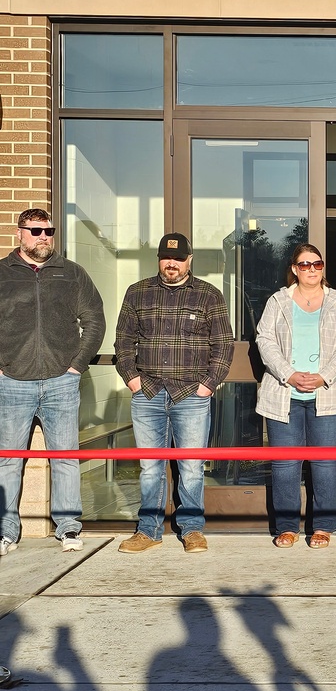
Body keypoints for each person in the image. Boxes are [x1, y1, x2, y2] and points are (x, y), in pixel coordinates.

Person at [115, 232, 234, 553]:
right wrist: (132, 379)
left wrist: (209, 384)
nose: (172, 264)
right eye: (167, 258)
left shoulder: (208, 295)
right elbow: (123, 342)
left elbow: (223, 345)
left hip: (191, 396)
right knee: (150, 467)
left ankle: (192, 529)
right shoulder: (138, 293)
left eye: (179, 258)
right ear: (159, 259)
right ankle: (148, 530)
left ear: (189, 260)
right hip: (148, 393)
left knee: (192, 466)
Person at [0, 208, 105, 555]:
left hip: (62, 381)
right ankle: (6, 531)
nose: (44, 237)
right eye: (36, 231)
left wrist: (76, 365)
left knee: (65, 457)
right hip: (12, 382)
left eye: (49, 231)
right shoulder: (2, 273)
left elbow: (94, 320)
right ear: (19, 234)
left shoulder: (71, 273)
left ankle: (69, 528)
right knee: (9, 460)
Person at [255, 243, 336, 548]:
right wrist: (288, 373)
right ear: (294, 268)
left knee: (325, 463)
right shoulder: (278, 301)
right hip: (284, 392)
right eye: (304, 264)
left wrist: (324, 376)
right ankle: (287, 526)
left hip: (330, 393)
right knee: (285, 464)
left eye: (317, 264)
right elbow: (264, 339)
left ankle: (324, 525)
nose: (311, 269)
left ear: (323, 267)